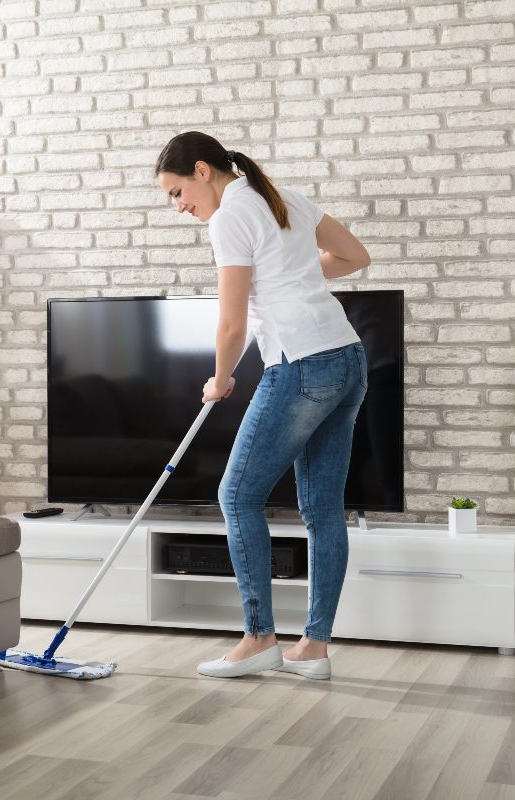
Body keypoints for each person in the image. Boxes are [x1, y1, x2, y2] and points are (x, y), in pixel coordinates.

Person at [155, 131, 371, 680]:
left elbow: (230, 323)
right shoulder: (282, 195)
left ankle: (259, 638)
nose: (179, 207)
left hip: (302, 363)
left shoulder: (230, 215)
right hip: (346, 357)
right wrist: (292, 276)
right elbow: (354, 256)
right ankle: (313, 648)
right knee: (322, 509)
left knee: (236, 494)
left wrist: (219, 379)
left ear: (203, 171)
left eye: (177, 193)